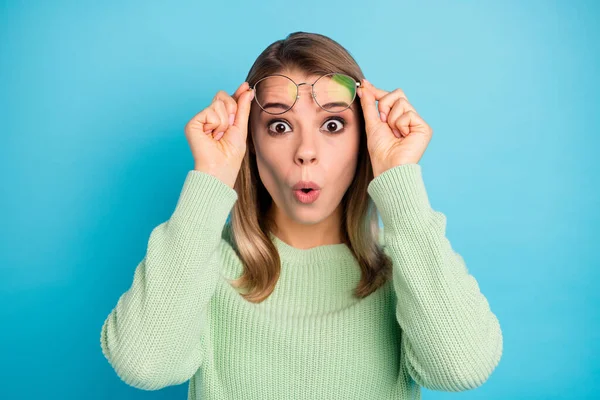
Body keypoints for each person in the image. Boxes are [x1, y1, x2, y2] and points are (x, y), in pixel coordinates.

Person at [100, 31, 503, 399]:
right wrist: (211, 178)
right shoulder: (200, 264)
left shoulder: (408, 270)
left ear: (364, 138)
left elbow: (461, 369)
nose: (306, 151)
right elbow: (144, 366)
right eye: (278, 126)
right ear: (249, 143)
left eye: (332, 124)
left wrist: (401, 183)